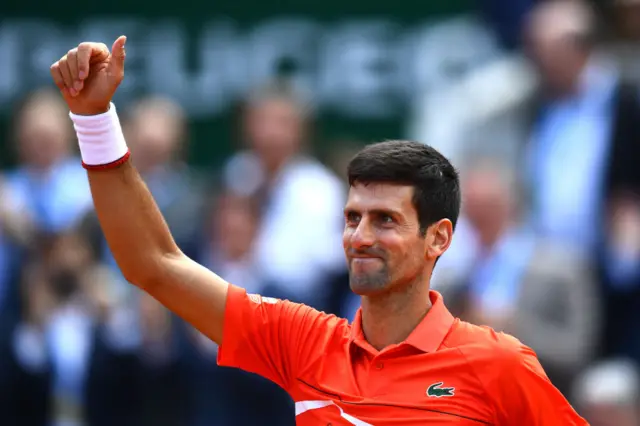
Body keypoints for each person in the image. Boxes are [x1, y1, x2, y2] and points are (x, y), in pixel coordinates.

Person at [49, 36, 587, 425]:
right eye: (353, 217)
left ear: (439, 239)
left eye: (386, 220)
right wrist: (94, 120)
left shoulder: (497, 364)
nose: (360, 236)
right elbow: (154, 265)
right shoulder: (302, 341)